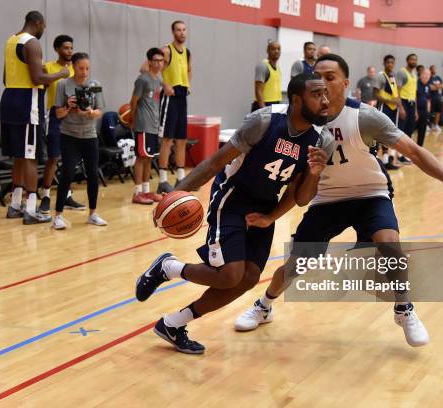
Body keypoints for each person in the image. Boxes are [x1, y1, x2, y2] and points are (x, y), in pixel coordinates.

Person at [234, 53, 443, 348]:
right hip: (327, 199)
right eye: (317, 78)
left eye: (329, 78)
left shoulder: (364, 117)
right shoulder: (302, 122)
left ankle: (404, 308)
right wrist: (270, 217)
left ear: (345, 83)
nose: (323, 84)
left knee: (389, 244)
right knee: (298, 264)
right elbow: (296, 187)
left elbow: (414, 151)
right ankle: (264, 305)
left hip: (370, 194)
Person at [135, 73, 334, 354]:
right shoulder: (264, 121)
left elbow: (299, 198)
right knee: (230, 275)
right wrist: (173, 196)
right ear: (297, 100)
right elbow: (215, 162)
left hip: (265, 206)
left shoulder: (321, 140)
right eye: (317, 94)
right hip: (232, 199)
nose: (326, 101)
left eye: (326, 93)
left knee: (249, 277)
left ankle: (173, 324)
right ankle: (168, 268)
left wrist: (311, 177)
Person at [0, 11, 70, 224]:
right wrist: (60, 74)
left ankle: (15, 205)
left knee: (19, 156)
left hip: (9, 100)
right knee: (30, 156)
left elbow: (5, 78)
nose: (43, 31)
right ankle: (31, 210)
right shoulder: (32, 43)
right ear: (38, 24)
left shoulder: (11, 41)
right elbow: (37, 77)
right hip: (27, 104)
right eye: (43, 27)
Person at [51, 52, 107, 230]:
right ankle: (57, 216)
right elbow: (58, 114)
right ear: (73, 67)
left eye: (87, 68)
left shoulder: (95, 85)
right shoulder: (63, 85)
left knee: (92, 174)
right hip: (69, 136)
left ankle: (93, 213)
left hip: (89, 136)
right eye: (81, 68)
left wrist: (90, 112)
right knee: (67, 174)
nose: (84, 72)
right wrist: (68, 106)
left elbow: (100, 111)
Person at [40, 35, 85, 214]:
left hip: (73, 116)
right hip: (55, 114)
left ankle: (66, 195)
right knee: (53, 157)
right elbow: (40, 90)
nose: (69, 51)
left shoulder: (75, 70)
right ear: (57, 49)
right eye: (66, 48)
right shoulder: (49, 68)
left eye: (71, 48)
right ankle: (45, 195)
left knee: (70, 159)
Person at [156, 20, 193, 194]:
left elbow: (189, 70)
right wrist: (164, 85)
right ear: (173, 32)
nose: (182, 33)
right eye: (179, 30)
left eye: (184, 30)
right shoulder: (166, 51)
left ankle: (180, 178)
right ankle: (162, 181)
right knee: (167, 139)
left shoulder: (187, 52)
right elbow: (148, 69)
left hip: (182, 96)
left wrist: (188, 85)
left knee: (181, 139)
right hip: (170, 98)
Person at [130, 48, 165, 205]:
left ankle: (146, 190)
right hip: (143, 124)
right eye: (155, 60)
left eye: (161, 61)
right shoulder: (142, 79)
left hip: (153, 125)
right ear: (149, 61)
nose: (158, 63)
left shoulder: (157, 81)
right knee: (141, 157)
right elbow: (134, 101)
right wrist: (133, 120)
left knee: (149, 158)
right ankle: (137, 193)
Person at [373, 55, 402, 170]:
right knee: (380, 133)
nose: (390, 64)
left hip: (393, 108)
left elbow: (394, 93)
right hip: (383, 107)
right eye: (388, 62)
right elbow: (375, 94)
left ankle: (386, 161)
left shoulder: (393, 76)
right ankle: (376, 160)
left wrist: (397, 100)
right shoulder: (381, 76)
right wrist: (390, 100)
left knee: (389, 133)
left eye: (392, 62)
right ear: (384, 63)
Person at [396, 53, 419, 164]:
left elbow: (414, 93)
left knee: (409, 130)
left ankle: (405, 154)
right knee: (401, 131)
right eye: (411, 59)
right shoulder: (401, 72)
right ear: (407, 60)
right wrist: (400, 107)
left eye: (415, 60)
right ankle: (399, 155)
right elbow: (397, 91)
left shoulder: (414, 74)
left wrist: (415, 110)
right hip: (403, 103)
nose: (413, 61)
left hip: (412, 104)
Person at [252, 41, 282, 112]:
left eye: (278, 49)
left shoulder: (278, 68)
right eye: (273, 49)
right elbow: (258, 90)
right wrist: (263, 109)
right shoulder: (263, 66)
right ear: (268, 50)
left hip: (275, 105)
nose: (276, 51)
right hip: (264, 105)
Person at [415, 68, 431, 147]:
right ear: (421, 74)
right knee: (409, 131)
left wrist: (428, 112)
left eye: (428, 75)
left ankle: (419, 148)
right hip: (416, 111)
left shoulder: (428, 85)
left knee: (422, 132)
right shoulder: (416, 83)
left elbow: (428, 99)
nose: (426, 76)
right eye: (425, 74)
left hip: (424, 112)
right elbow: (414, 98)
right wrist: (415, 112)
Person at [428, 65, 443, 132]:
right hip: (431, 98)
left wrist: (437, 86)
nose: (434, 70)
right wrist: (438, 86)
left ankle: (436, 125)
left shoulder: (438, 77)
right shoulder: (429, 78)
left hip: (438, 97)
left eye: (435, 68)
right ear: (430, 70)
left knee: (438, 111)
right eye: (433, 69)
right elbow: (431, 88)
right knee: (430, 112)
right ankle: (428, 125)